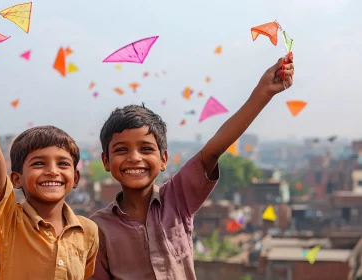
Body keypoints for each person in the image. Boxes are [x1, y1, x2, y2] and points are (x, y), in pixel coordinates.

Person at [91, 55, 295, 279]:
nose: (134, 158)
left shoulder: (177, 200)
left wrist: (263, 93)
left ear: (163, 159)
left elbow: (213, 150)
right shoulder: (97, 230)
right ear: (106, 161)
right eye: (121, 150)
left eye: (146, 149)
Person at [0, 36, 99, 280]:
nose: (52, 171)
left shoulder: (88, 232)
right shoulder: (9, 223)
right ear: (17, 179)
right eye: (39, 163)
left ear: (75, 178)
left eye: (62, 164)